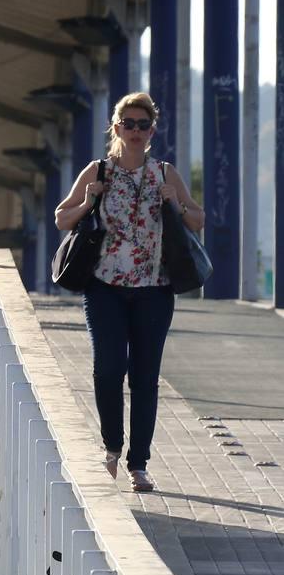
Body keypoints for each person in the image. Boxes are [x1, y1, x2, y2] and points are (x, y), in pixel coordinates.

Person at [54, 92, 203, 492]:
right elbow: (61, 218)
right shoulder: (98, 170)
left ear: (152, 130)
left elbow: (197, 219)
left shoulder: (165, 173)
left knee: (145, 377)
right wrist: (89, 201)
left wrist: (177, 205)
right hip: (105, 287)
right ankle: (111, 448)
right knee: (107, 370)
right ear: (116, 127)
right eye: (129, 124)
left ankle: (138, 464)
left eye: (144, 125)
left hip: (155, 289)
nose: (136, 131)